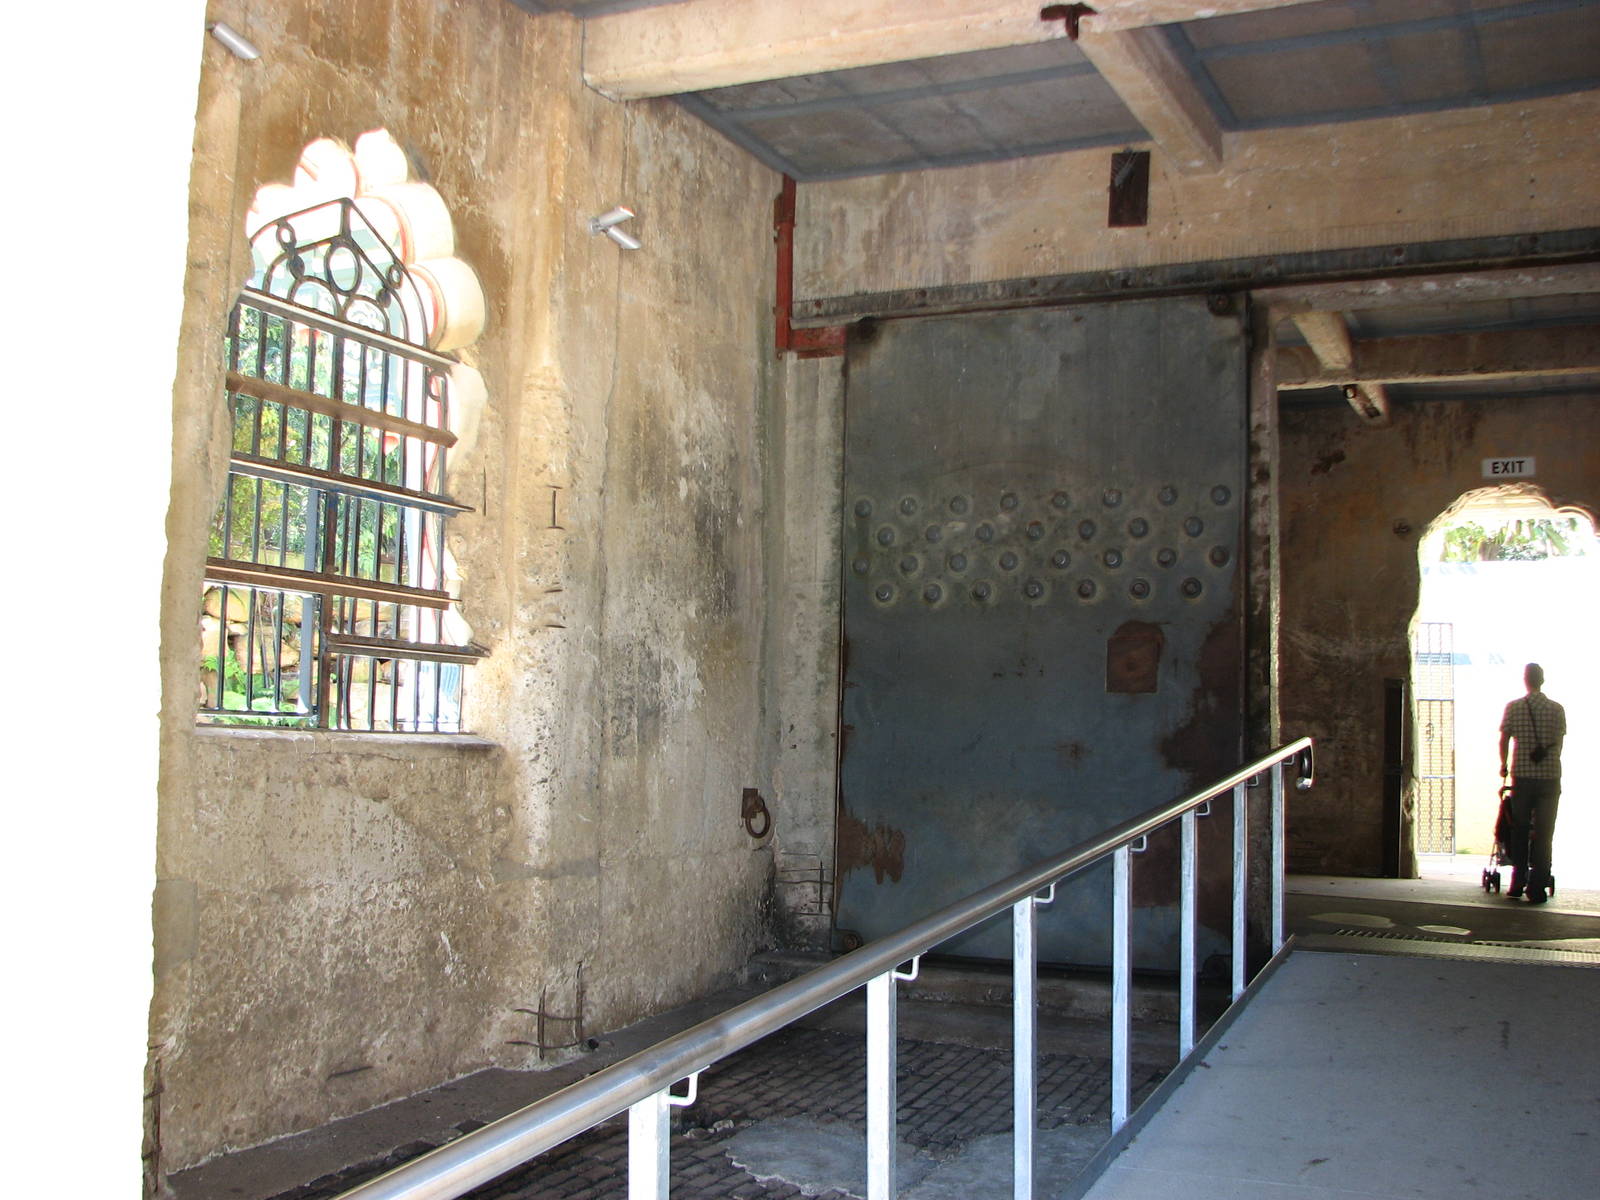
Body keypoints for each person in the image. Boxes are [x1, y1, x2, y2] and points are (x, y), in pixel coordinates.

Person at [1498, 663, 1566, 904]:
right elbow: (1558, 743)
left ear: (1525, 680)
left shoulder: (1514, 708)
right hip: (1549, 778)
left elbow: (1504, 738)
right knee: (1545, 833)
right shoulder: (1557, 710)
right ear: (1543, 680)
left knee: (1520, 830)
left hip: (1523, 778)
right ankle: (1537, 887)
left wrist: (1504, 765)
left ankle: (1517, 882)